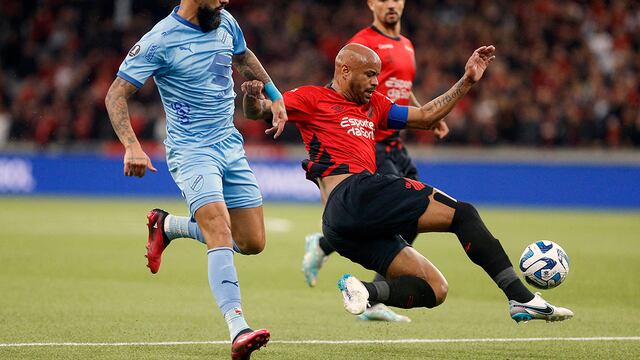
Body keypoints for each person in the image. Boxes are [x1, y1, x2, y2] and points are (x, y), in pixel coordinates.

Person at [240, 43, 574, 323]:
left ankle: (365, 292)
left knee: (435, 288)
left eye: (378, 75)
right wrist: (253, 98)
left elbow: (427, 116)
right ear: (344, 71)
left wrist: (468, 80)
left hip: (342, 228)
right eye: (369, 74)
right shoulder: (313, 98)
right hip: (353, 194)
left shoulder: (375, 106)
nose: (376, 81)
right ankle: (519, 297)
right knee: (463, 214)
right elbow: (262, 111)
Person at [104, 1, 287, 358]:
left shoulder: (226, 22)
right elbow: (115, 95)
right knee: (219, 229)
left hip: (229, 145)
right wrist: (132, 146)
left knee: (252, 242)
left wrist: (275, 96)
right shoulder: (159, 40)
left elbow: (244, 56)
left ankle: (167, 226)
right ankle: (238, 328)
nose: (225, 1)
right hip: (192, 152)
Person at [301, 0, 449, 323]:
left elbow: (400, 90)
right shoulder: (363, 43)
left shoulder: (407, 46)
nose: (392, 4)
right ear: (372, 4)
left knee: (410, 221)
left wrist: (426, 114)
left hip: (398, 145)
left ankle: (345, 265)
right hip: (373, 143)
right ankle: (368, 291)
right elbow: (351, 89)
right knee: (406, 211)